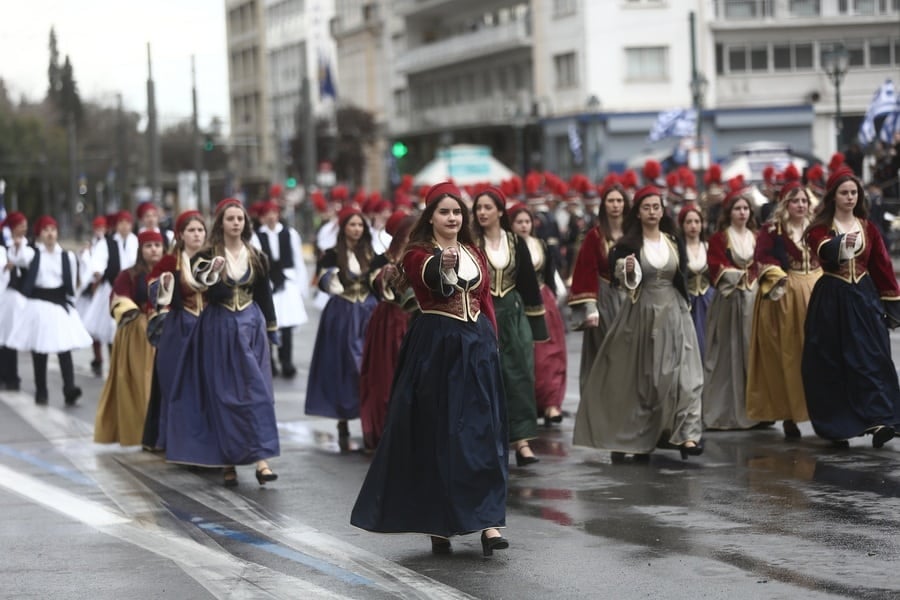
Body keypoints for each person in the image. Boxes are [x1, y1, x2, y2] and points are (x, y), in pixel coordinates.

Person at [350, 181, 509, 557]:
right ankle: (438, 523)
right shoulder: (417, 254)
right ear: (431, 217)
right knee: (441, 436)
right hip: (438, 348)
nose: (452, 218)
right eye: (444, 212)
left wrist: (493, 341)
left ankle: (489, 522)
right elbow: (429, 278)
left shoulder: (474, 251)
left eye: (457, 212)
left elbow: (484, 300)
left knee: (483, 432)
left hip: (477, 348)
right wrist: (442, 265)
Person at [573, 186, 703, 460]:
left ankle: (688, 436)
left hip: (675, 313)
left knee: (687, 376)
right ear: (639, 212)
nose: (652, 212)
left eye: (656, 207)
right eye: (647, 207)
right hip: (643, 313)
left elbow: (681, 276)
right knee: (647, 381)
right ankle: (636, 438)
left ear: (663, 211)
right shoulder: (627, 244)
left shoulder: (672, 240)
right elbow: (619, 275)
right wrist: (628, 270)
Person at [167, 199, 280, 486]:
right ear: (221, 223)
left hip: (251, 327)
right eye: (230, 218)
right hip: (219, 327)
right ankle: (228, 462)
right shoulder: (207, 256)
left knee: (257, 393)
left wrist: (271, 327)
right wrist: (212, 273)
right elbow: (204, 285)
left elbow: (264, 294)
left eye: (240, 218)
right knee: (225, 395)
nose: (236, 223)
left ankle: (262, 461)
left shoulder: (256, 255)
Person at [802, 167, 900, 448]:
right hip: (831, 299)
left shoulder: (868, 228)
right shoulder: (820, 228)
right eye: (844, 193)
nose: (850, 197)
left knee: (872, 357)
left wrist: (892, 303)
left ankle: (879, 420)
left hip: (863, 299)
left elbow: (882, 267)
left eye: (854, 192)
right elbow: (822, 250)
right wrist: (840, 243)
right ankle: (838, 426)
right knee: (831, 362)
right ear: (833, 196)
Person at [473, 186, 548, 466]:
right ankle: (488, 442)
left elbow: (528, 283)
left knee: (519, 377)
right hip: (483, 316)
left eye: (487, 207)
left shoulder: (515, 242)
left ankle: (523, 442)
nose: (482, 212)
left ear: (500, 211)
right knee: (487, 378)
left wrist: (536, 326)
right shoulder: (471, 243)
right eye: (478, 208)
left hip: (514, 316)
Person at [745, 182, 822, 440]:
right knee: (789, 356)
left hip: (817, 289)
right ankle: (789, 414)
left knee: (821, 355)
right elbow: (763, 257)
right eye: (795, 201)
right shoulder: (773, 230)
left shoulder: (817, 228)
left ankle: (826, 412)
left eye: (804, 201)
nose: (801, 205)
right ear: (785, 204)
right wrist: (776, 275)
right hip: (786, 294)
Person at [305, 206, 377, 451]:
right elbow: (321, 280)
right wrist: (329, 279)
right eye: (352, 224)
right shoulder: (331, 255)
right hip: (342, 314)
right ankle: (343, 416)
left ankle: (367, 417)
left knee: (367, 366)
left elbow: (379, 281)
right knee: (345, 366)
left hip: (368, 313)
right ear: (344, 228)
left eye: (360, 225)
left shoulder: (372, 253)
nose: (356, 229)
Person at [141, 210, 207, 451]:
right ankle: (180, 441)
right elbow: (153, 290)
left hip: (208, 330)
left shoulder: (213, 259)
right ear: (180, 235)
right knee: (178, 386)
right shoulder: (170, 262)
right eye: (191, 230)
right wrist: (164, 285)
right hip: (180, 329)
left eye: (200, 230)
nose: (197, 234)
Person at [7, 216, 92, 405]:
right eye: (46, 230)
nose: (50, 233)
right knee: (40, 349)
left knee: (64, 347)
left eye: (53, 229)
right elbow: (19, 258)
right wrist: (18, 245)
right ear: (39, 234)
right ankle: (41, 390)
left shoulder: (67, 256)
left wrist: (71, 302)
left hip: (59, 303)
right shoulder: (33, 254)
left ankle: (69, 388)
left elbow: (72, 282)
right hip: (39, 304)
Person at [94, 231, 163, 446]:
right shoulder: (129, 275)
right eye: (149, 245)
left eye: (157, 245)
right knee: (141, 384)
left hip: (167, 331)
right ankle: (144, 434)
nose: (154, 249)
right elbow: (119, 298)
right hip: (138, 334)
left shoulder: (171, 272)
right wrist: (136, 315)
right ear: (141, 250)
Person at [358, 211, 417, 452]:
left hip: (417, 322)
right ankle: (384, 430)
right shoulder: (383, 260)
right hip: (389, 323)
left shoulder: (425, 256)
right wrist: (385, 276)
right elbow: (370, 285)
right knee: (385, 378)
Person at [703, 185, 759, 430]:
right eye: (737, 208)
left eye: (746, 208)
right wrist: (738, 277)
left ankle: (756, 412)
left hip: (753, 301)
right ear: (729, 212)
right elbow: (715, 265)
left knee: (751, 354)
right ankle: (725, 412)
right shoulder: (720, 238)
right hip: (729, 302)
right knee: (727, 355)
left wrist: (757, 278)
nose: (742, 212)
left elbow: (762, 262)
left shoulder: (756, 236)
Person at [508, 202, 567, 427]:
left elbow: (550, 275)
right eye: (519, 222)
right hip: (519, 303)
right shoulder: (508, 247)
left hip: (544, 302)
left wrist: (553, 297)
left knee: (550, 354)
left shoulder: (541, 245)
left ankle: (552, 403)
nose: (524, 226)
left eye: (527, 221)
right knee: (526, 357)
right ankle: (528, 404)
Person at [568, 182, 629, 396]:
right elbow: (586, 270)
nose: (615, 205)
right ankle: (602, 400)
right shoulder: (595, 236)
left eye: (619, 200)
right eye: (611, 201)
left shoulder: (634, 234)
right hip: (604, 300)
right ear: (604, 205)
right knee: (606, 352)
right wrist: (590, 307)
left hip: (632, 298)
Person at [254, 200, 309, 378]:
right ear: (262, 217)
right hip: (269, 283)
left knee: (287, 324)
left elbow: (297, 259)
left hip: (287, 281)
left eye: (274, 212)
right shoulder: (257, 236)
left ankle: (287, 361)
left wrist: (301, 286)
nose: (271, 217)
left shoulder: (289, 233)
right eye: (267, 213)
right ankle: (270, 362)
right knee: (269, 323)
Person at [678, 204, 715, 361]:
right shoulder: (678, 250)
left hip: (709, 299)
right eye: (689, 222)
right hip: (689, 301)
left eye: (696, 222)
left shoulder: (708, 247)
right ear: (682, 225)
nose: (693, 226)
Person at [0, 212, 28, 391]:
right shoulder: (4, 247)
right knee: (5, 336)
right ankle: (7, 375)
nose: (24, 228)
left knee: (13, 337)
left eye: (25, 224)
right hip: (7, 297)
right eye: (20, 225)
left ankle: (11, 376)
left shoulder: (27, 245)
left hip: (21, 297)